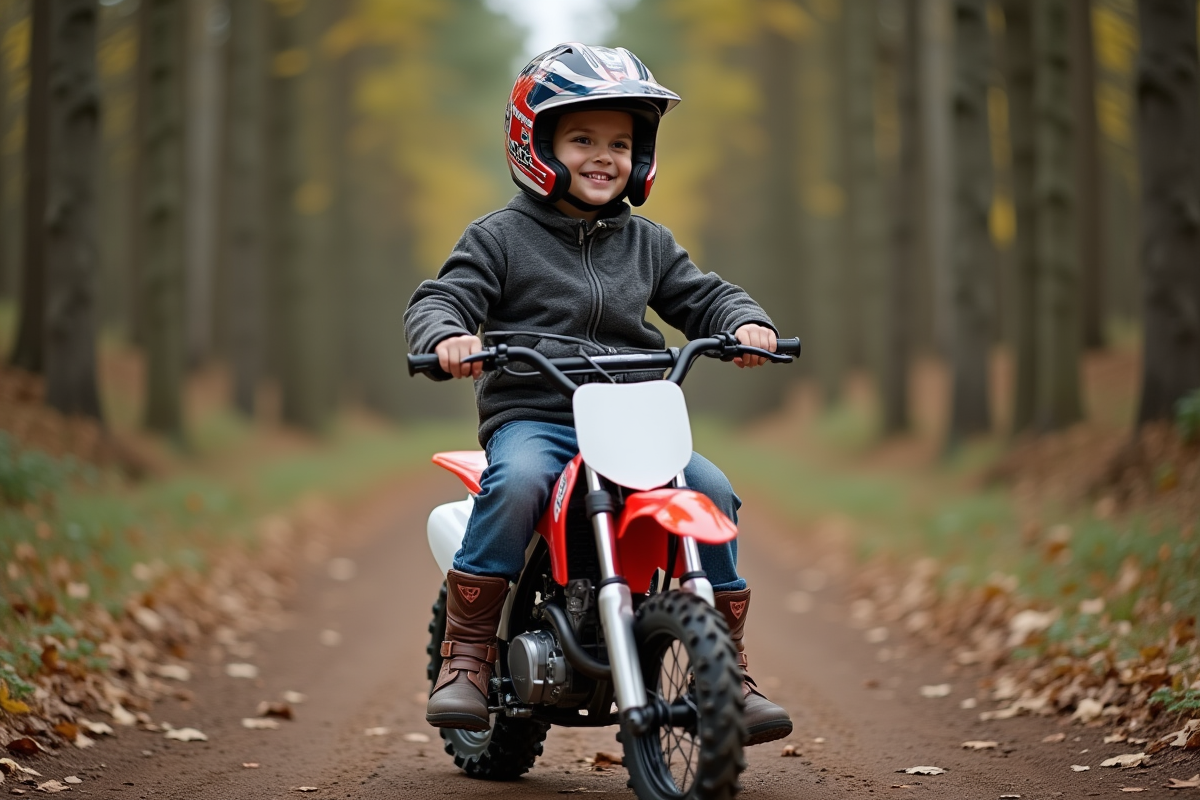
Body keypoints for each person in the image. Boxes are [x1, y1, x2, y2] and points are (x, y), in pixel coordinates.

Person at [404, 43, 792, 746]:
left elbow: (701, 296)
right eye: (582, 139)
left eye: (620, 142)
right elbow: (444, 297)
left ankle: (727, 670)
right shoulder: (499, 237)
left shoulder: (647, 243)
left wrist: (743, 322)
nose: (603, 156)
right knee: (518, 481)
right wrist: (447, 337)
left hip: (636, 421)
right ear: (537, 142)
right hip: (538, 413)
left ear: (641, 156)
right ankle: (467, 653)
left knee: (713, 490)